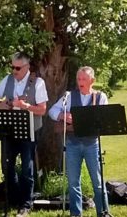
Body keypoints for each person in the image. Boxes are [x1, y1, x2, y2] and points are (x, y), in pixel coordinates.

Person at [0, 52, 48, 217]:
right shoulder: (7, 80)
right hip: (9, 130)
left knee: (27, 169)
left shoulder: (38, 82)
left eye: (17, 68)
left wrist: (25, 106)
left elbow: (42, 110)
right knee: (6, 165)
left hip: (30, 131)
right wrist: (2, 106)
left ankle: (26, 204)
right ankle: (13, 200)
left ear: (27, 67)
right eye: (12, 67)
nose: (14, 71)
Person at [48, 66, 110, 217]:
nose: (80, 82)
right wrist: (63, 115)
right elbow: (52, 111)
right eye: (78, 79)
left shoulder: (100, 97)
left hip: (92, 145)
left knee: (98, 182)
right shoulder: (69, 96)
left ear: (92, 81)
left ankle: (103, 213)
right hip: (72, 144)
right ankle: (76, 214)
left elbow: (105, 118)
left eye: (84, 79)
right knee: (73, 183)